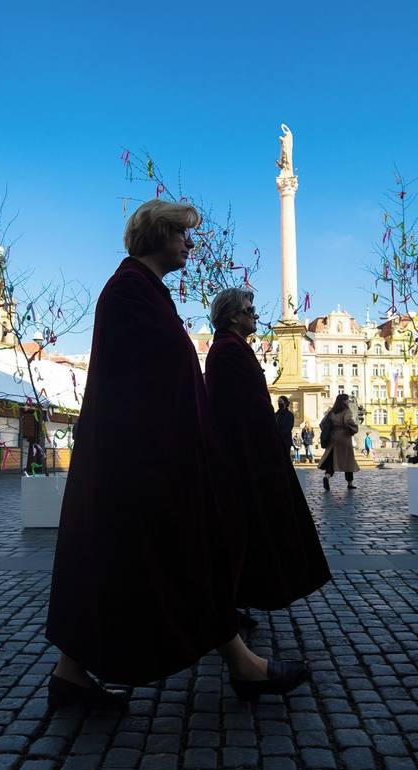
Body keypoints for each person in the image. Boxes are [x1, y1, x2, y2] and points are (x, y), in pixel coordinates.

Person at [46, 199, 309, 710]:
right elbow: (146, 381)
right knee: (182, 553)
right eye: (182, 234)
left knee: (123, 560)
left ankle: (70, 672)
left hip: (143, 454)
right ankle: (242, 664)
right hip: (145, 457)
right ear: (158, 234)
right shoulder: (130, 291)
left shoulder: (141, 290)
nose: (190, 243)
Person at [205, 287, 332, 620]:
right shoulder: (227, 351)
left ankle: (233, 601)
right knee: (246, 530)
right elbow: (238, 410)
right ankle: (226, 606)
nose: (256, 315)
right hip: (246, 457)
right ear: (233, 316)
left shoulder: (233, 348)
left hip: (253, 452)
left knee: (251, 531)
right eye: (249, 310)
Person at [318, 393, 359, 491]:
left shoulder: (331, 412)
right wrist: (354, 428)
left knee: (332, 460)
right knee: (348, 460)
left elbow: (322, 423)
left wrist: (330, 431)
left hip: (333, 438)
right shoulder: (347, 411)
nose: (348, 401)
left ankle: (327, 476)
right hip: (344, 437)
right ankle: (350, 483)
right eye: (347, 399)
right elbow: (348, 421)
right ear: (344, 401)